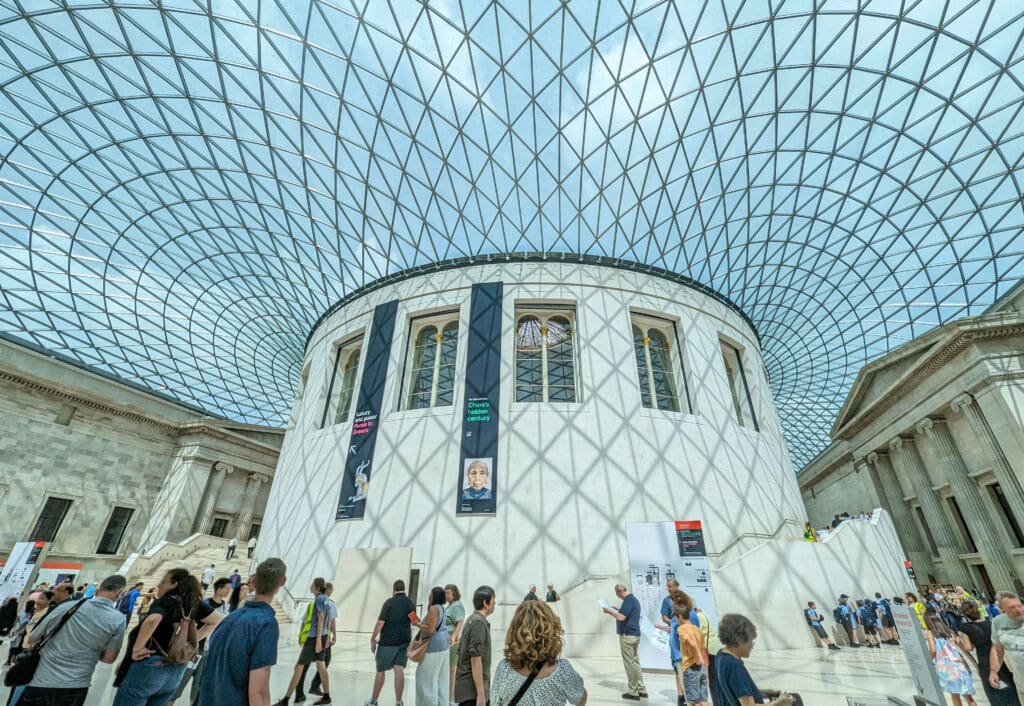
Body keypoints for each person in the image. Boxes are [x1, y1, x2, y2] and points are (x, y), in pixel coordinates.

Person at [17, 574, 127, 706]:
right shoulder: (119, 619)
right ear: (120, 593)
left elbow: (33, 638)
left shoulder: (67, 607)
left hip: (42, 680)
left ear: (98, 590)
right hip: (76, 686)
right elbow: (109, 659)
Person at [196, 558, 287, 706]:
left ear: (254, 582)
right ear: (282, 581)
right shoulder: (266, 624)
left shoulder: (228, 619)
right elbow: (258, 692)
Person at [112, 567, 203, 706]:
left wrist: (137, 649)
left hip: (151, 666)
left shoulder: (166, 601)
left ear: (174, 585)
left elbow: (152, 619)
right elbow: (215, 620)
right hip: (175, 669)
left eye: (163, 582)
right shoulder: (192, 605)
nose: (159, 585)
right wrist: (190, 642)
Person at [490, 600, 586, 705]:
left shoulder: (504, 669)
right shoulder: (562, 671)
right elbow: (580, 698)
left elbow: (494, 702)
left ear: (516, 630)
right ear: (551, 630)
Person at [716, 613, 800, 706]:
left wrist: (767, 692)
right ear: (739, 640)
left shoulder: (721, 656)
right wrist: (778, 703)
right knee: (796, 701)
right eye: (751, 641)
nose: (752, 645)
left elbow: (737, 689)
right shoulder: (734, 666)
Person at [169, 578, 230, 705]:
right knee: (181, 681)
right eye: (227, 587)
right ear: (219, 588)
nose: (229, 590)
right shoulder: (205, 604)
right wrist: (193, 640)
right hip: (196, 648)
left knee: (198, 684)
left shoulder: (224, 606)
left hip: (208, 650)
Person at [274, 578, 332, 705]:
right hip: (320, 636)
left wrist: (317, 641)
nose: (310, 587)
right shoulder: (327, 599)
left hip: (313, 638)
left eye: (312, 585)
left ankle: (286, 700)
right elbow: (330, 618)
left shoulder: (319, 599)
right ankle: (326, 697)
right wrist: (325, 637)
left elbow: (321, 619)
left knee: (299, 666)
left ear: (316, 587)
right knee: (320, 665)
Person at [364, 579, 416, 706]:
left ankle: (374, 700)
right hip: (404, 642)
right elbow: (414, 621)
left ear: (394, 590)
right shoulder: (410, 603)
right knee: (399, 669)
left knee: (381, 670)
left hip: (387, 643)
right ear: (404, 589)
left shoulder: (389, 603)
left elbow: (380, 622)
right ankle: (399, 702)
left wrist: (372, 639)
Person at [957, 600, 1019, 706]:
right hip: (999, 658)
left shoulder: (965, 628)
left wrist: (959, 644)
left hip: (984, 661)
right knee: (1008, 686)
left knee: (994, 691)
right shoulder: (990, 623)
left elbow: (968, 647)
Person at [602, 583, 646, 701]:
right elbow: (625, 614)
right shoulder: (634, 600)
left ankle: (633, 691)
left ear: (619, 592)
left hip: (627, 636)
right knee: (635, 662)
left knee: (629, 663)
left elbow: (621, 617)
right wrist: (616, 609)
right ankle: (641, 689)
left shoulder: (627, 600)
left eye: (618, 595)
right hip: (635, 635)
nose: (619, 597)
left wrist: (609, 611)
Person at [453, 585, 495, 706]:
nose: (494, 603)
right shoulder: (478, 623)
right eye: (493, 600)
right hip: (472, 693)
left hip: (469, 691)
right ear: (485, 603)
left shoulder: (473, 619)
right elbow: (475, 659)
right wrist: (481, 694)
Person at [925, 613, 977, 706]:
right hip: (960, 665)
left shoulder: (930, 632)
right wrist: (974, 663)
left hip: (946, 667)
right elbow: (964, 649)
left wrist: (927, 661)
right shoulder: (950, 632)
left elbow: (933, 650)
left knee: (954, 695)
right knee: (968, 696)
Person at [412, 586, 449, 706]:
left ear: (434, 595)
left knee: (425, 677)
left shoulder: (434, 609)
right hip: (444, 644)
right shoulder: (441, 608)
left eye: (430, 594)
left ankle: (427, 703)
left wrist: (416, 624)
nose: (429, 596)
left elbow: (430, 630)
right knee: (439, 678)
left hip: (434, 646)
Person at [675, 597, 709, 706]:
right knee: (704, 700)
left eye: (676, 618)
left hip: (691, 668)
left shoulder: (681, 629)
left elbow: (691, 643)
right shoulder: (697, 629)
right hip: (702, 668)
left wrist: (696, 656)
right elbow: (704, 651)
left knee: (694, 702)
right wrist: (706, 672)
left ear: (680, 617)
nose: (676, 620)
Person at [991, 591, 1024, 704]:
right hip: (1021, 683)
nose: (1018, 610)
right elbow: (997, 649)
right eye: (1012, 607)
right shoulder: (997, 622)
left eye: (1020, 605)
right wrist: (993, 671)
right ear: (1001, 608)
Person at [308, 583, 338, 698]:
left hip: (311, 636)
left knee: (304, 663)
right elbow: (332, 622)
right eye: (332, 590)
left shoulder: (313, 602)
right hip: (323, 637)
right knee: (325, 660)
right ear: (328, 590)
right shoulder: (329, 603)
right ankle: (315, 686)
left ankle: (303, 689)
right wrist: (334, 636)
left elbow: (305, 620)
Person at [445, 585, 466, 706]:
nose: (446, 595)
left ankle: (452, 700)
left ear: (454, 594)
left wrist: (453, 637)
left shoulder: (457, 605)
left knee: (452, 670)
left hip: (453, 642)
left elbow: (459, 623)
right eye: (445, 593)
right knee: (450, 671)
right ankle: (450, 698)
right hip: (448, 641)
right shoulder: (451, 605)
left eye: (448, 593)